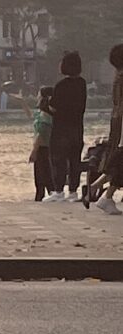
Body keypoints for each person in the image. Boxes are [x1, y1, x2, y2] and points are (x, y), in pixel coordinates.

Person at [85, 43, 123, 215]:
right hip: (121, 122)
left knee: (117, 159)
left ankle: (97, 188)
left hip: (118, 121)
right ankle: (105, 195)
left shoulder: (118, 77)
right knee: (119, 159)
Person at [51, 51, 87, 202]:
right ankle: (73, 191)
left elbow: (54, 107)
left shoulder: (61, 85)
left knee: (59, 160)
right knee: (74, 160)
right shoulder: (82, 84)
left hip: (61, 129)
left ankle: (59, 191)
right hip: (77, 128)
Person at [15, 87, 61, 202]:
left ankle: (44, 199)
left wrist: (34, 151)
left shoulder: (45, 116)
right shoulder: (43, 114)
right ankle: (47, 198)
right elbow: (31, 116)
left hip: (43, 149)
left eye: (39, 95)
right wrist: (22, 102)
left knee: (42, 178)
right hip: (45, 149)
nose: (37, 97)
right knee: (45, 177)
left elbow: (40, 135)